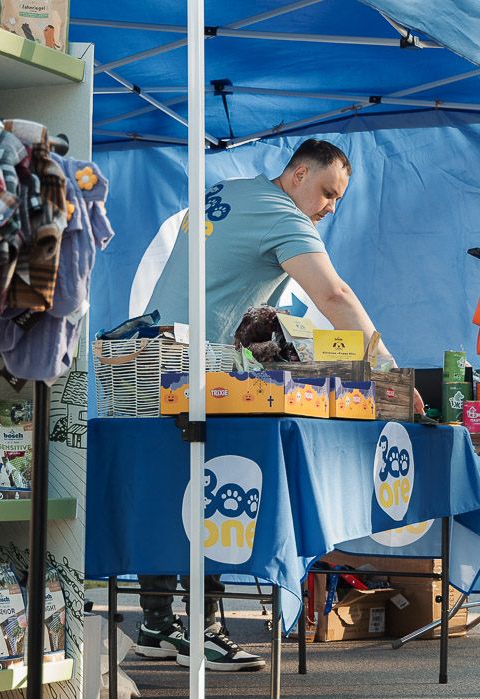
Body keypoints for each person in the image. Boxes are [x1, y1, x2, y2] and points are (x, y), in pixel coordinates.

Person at [137, 138, 422, 671]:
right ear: (299, 175)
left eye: (338, 200)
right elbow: (334, 296)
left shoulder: (228, 190)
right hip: (199, 367)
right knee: (211, 483)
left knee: (170, 486)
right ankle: (203, 629)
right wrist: (388, 373)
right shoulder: (284, 216)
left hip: (151, 356)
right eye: (328, 192)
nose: (330, 207)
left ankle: (155, 623)